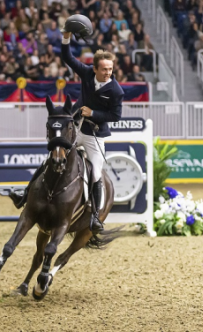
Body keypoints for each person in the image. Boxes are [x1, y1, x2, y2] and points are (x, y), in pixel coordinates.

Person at [9, 27, 124, 235]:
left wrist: (94, 113)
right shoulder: (87, 72)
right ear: (95, 68)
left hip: (94, 136)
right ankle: (24, 195)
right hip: (75, 129)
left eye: (110, 69)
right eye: (105, 69)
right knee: (51, 159)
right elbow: (67, 57)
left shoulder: (116, 90)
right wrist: (66, 37)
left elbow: (115, 116)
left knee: (97, 173)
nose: (108, 73)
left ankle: (96, 217)